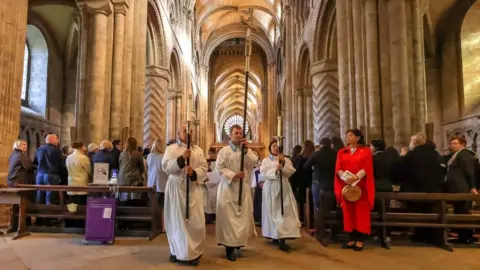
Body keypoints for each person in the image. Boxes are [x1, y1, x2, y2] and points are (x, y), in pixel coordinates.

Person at [162, 124, 208, 266]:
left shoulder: (198, 150)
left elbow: (204, 168)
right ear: (178, 133)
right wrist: (181, 159)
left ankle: (193, 252)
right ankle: (176, 250)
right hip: (176, 188)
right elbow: (166, 167)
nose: (188, 133)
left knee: (195, 221)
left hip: (192, 188)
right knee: (177, 221)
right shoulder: (171, 149)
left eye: (190, 131)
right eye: (185, 131)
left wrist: (194, 172)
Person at [215, 124, 258, 261]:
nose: (239, 135)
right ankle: (229, 248)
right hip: (228, 189)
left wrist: (247, 151)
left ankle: (238, 243)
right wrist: (233, 175)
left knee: (241, 219)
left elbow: (254, 162)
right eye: (236, 133)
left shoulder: (245, 151)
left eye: (240, 133)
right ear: (230, 135)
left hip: (242, 189)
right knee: (229, 220)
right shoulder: (224, 151)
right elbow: (219, 169)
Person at [334, 129, 374, 251]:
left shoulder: (365, 151)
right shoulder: (342, 152)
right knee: (348, 213)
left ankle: (360, 240)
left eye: (351, 135)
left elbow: (366, 167)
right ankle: (351, 238)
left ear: (358, 138)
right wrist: (345, 178)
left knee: (360, 213)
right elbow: (338, 167)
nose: (348, 138)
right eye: (347, 136)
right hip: (346, 186)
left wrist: (356, 177)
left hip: (360, 186)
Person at [260, 138, 300, 251]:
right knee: (272, 212)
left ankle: (282, 238)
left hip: (284, 187)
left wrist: (282, 165)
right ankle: (274, 234)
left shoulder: (286, 159)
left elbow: (291, 171)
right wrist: (275, 170)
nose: (276, 147)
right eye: (273, 146)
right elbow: (263, 173)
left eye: (277, 146)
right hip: (271, 188)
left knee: (284, 212)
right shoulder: (266, 161)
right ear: (270, 148)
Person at [303, 137, 337, 241]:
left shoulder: (316, 154)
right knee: (332, 207)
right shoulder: (336, 154)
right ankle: (333, 232)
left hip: (318, 184)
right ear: (330, 144)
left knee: (318, 208)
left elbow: (305, 166)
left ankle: (320, 233)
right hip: (332, 184)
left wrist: (314, 169)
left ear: (321, 145)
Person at [445, 136, 477, 244]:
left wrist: (472, 186)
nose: (452, 145)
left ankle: (467, 237)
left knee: (463, 213)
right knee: (459, 212)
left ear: (462, 144)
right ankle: (462, 235)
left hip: (461, 188)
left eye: (455, 143)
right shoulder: (456, 155)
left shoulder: (464, 155)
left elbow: (469, 172)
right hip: (456, 188)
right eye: (451, 143)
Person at [7, 139, 34, 232]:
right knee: (22, 204)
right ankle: (22, 226)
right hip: (20, 182)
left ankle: (14, 225)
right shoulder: (21, 155)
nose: (26, 146)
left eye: (26, 144)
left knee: (15, 204)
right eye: (23, 144)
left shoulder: (12, 155)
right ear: (18, 146)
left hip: (11, 181)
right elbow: (29, 167)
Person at [147, 139, 168, 207]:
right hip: (161, 183)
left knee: (152, 205)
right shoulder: (164, 156)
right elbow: (166, 170)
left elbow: (148, 168)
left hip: (151, 182)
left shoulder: (149, 156)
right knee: (161, 206)